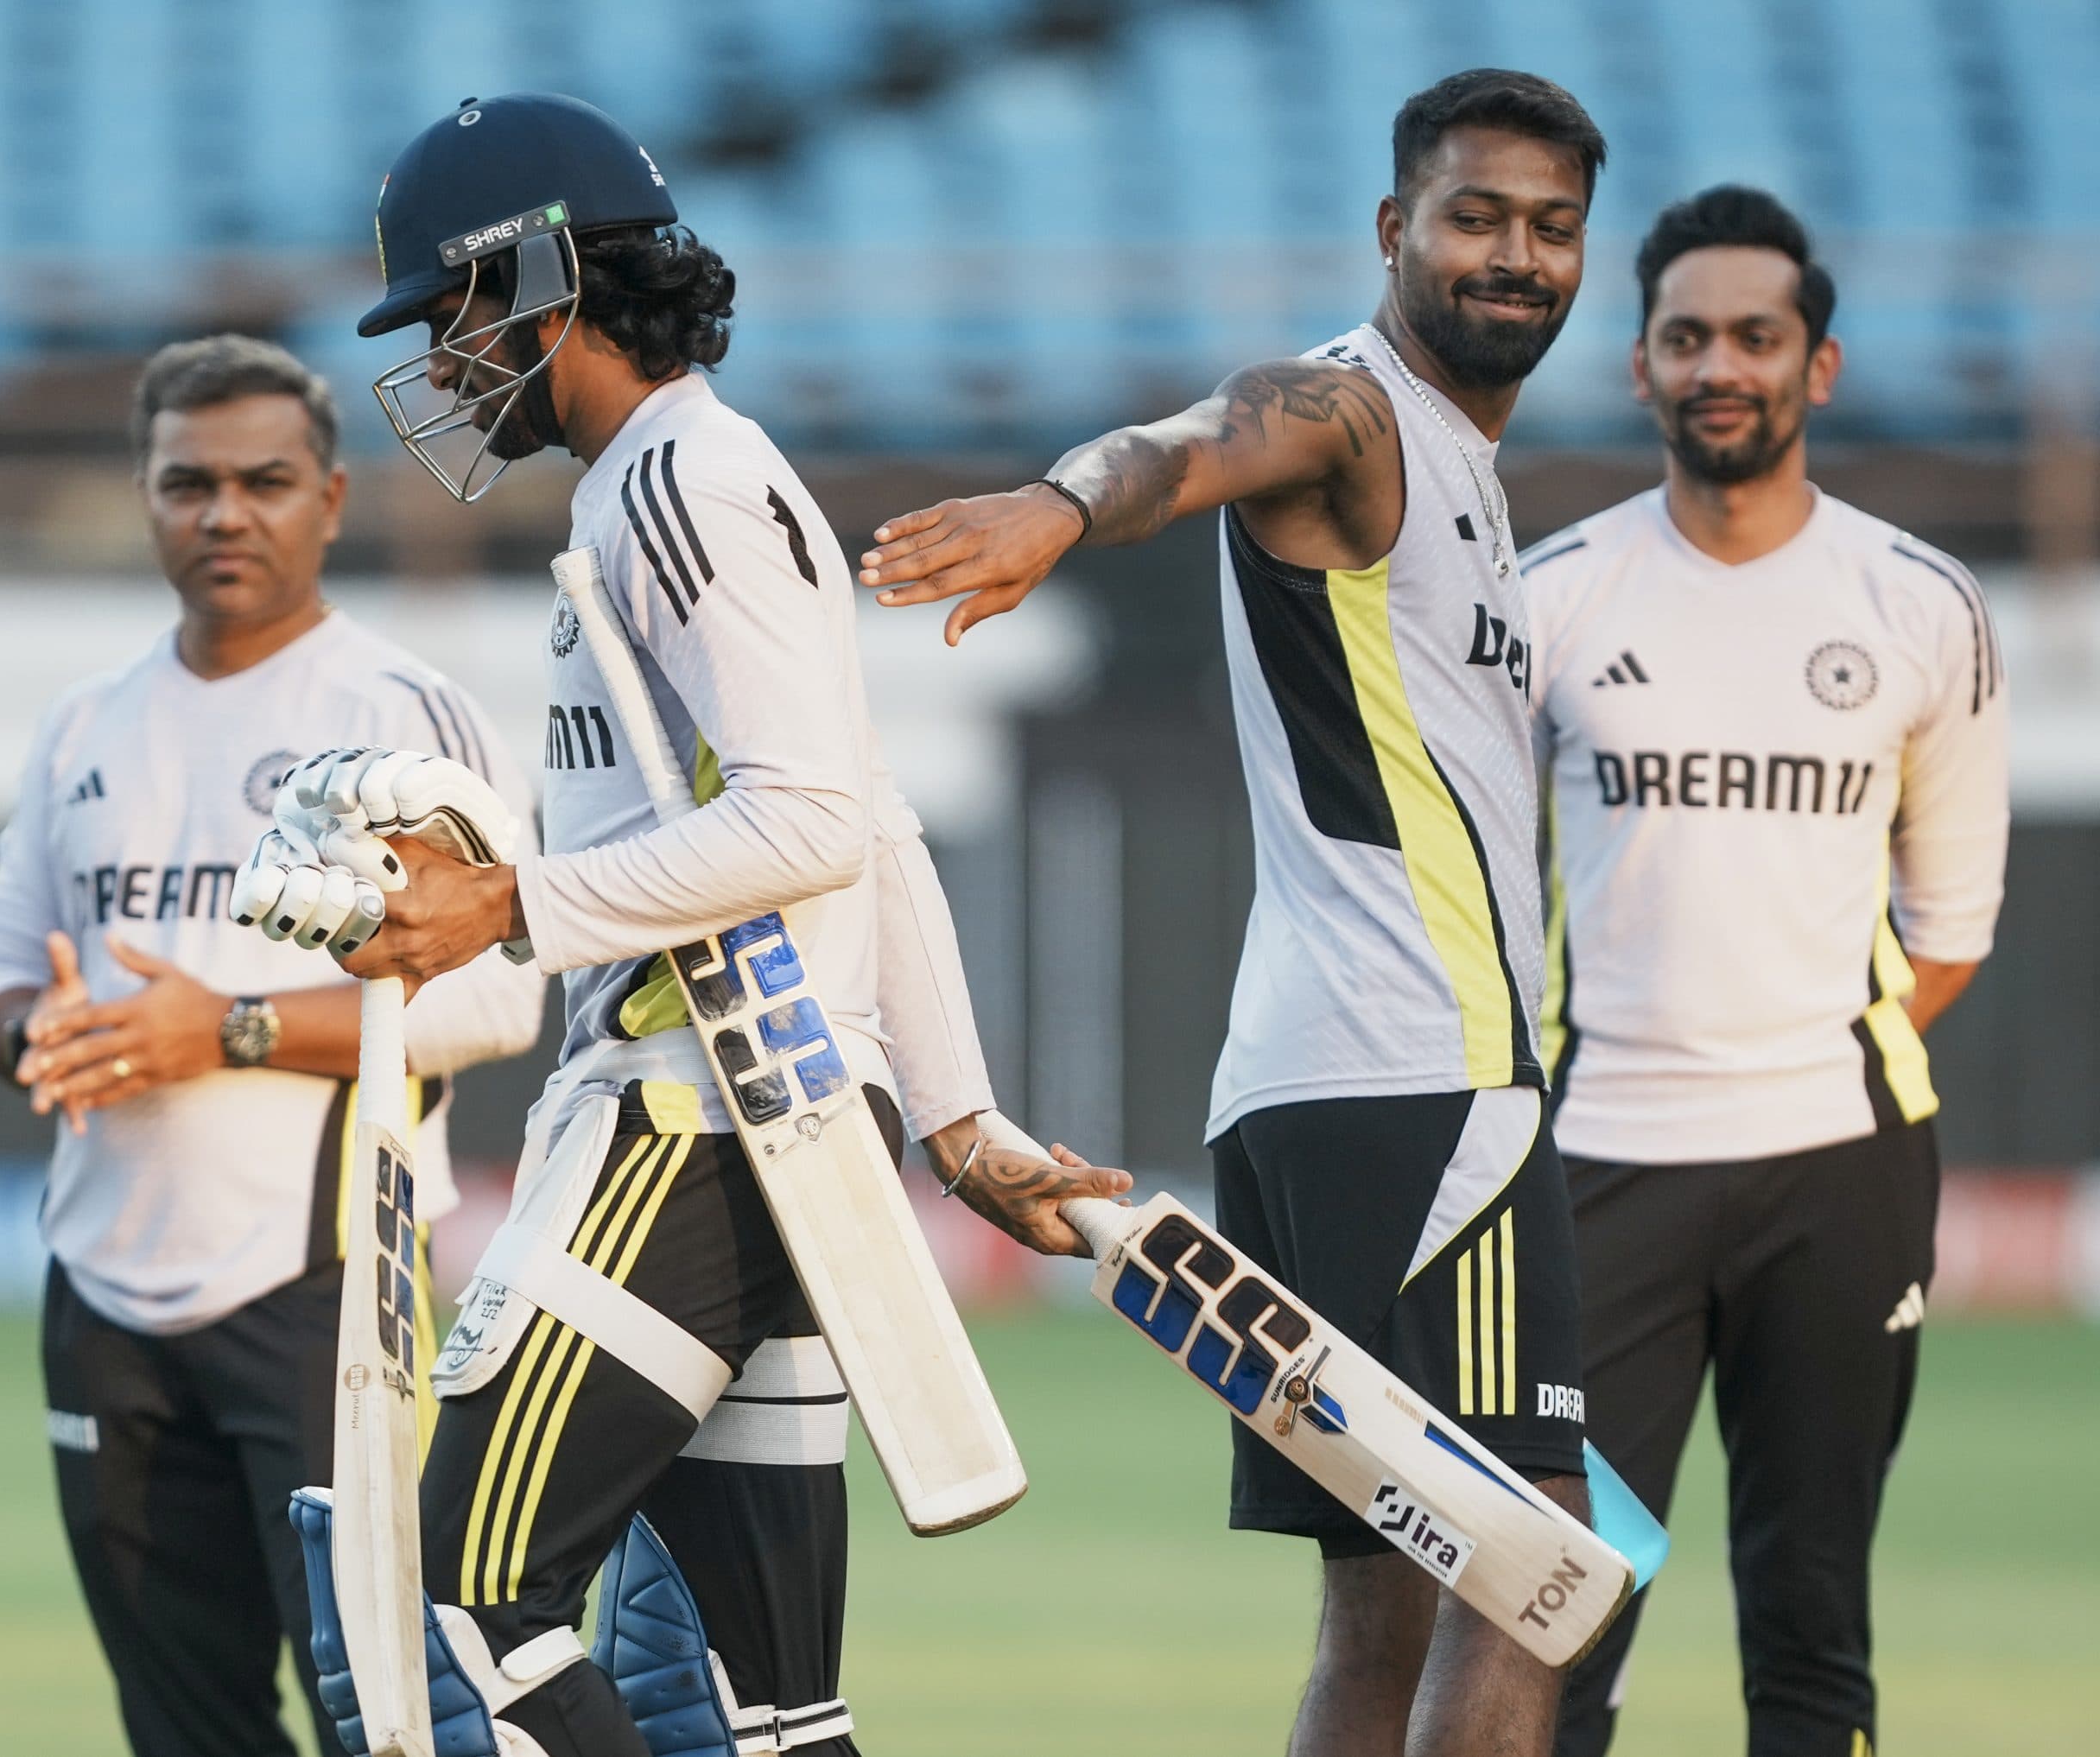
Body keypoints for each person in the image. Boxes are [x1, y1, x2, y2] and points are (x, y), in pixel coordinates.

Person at [263, 92, 1126, 1757]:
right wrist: (952, 1122)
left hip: (696, 1107)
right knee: (761, 1702)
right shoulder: (676, 481)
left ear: (537, 282)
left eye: (450, 320)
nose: (441, 369)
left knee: (442, 1616)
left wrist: (505, 904)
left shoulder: (677, 489)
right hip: (787, 1116)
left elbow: (804, 819)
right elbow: (870, 822)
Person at [859, 67, 1608, 1757]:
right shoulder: (1351, 413)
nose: (1513, 256)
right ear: (1388, 230)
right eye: (1472, 216)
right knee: (1536, 1568)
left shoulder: (1466, 478)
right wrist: (1058, 505)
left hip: (1306, 1084)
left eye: (1548, 228)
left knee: (1383, 1603)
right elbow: (1197, 441)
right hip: (1428, 1088)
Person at [0, 335, 546, 1757]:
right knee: (181, 1724)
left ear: (332, 497)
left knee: (386, 1715)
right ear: (146, 497)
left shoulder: (398, 716)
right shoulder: (82, 724)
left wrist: (217, 1029)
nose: (226, 512)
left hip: (325, 1292)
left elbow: (500, 997)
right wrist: (49, 1029)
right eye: (190, 482)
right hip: (100, 1294)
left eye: (264, 481)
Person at [1524, 187, 2008, 1757]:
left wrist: (1788, 1062)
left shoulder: (1922, 604)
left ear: (1822, 366)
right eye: (1686, 337)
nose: (1720, 363)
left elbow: (1953, 924)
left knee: (1811, 1617)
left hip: (1838, 1175)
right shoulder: (1553, 597)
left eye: (1756, 335)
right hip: (1598, 1180)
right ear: (1640, 368)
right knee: (1555, 1615)